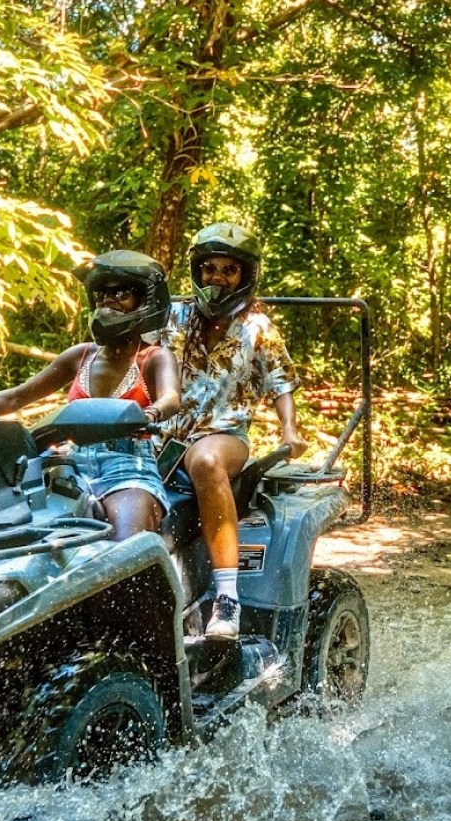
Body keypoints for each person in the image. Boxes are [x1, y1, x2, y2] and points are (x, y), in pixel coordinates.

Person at [159, 222, 309, 640]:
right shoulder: (175, 315)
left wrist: (289, 429)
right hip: (164, 437)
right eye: (209, 268)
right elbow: (139, 361)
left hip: (224, 436)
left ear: (245, 274)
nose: (217, 278)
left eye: (229, 270)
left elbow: (280, 381)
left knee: (204, 460)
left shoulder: (257, 326)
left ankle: (227, 599)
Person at [0, 250, 180, 541]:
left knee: (125, 548)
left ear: (145, 301)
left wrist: (150, 414)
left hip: (126, 469)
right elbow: (16, 398)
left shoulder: (153, 357)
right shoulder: (80, 356)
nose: (108, 299)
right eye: (101, 293)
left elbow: (171, 397)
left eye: (120, 292)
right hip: (66, 466)